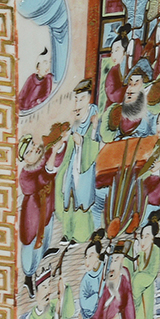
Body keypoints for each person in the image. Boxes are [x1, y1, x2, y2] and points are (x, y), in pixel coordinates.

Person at [19, 125, 68, 290]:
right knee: (31, 245)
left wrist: (59, 144)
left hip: (47, 207)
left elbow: (58, 160)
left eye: (33, 145)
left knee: (47, 233)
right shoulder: (25, 176)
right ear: (25, 159)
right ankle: (28, 275)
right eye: (29, 152)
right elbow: (44, 179)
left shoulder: (44, 156)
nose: (35, 149)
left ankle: (45, 252)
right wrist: (52, 155)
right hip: (33, 216)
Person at [58, 80, 105, 243]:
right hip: (73, 161)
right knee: (69, 194)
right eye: (76, 99)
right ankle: (67, 232)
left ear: (88, 98)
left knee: (82, 199)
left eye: (81, 99)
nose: (78, 103)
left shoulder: (94, 116)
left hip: (85, 165)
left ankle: (81, 235)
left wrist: (83, 143)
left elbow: (97, 144)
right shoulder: (77, 116)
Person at [129, 220, 160, 319]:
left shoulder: (155, 251)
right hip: (139, 293)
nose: (143, 240)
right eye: (142, 236)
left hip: (144, 294)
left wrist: (137, 280)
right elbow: (137, 270)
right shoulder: (141, 252)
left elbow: (151, 274)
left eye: (147, 236)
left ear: (153, 238)